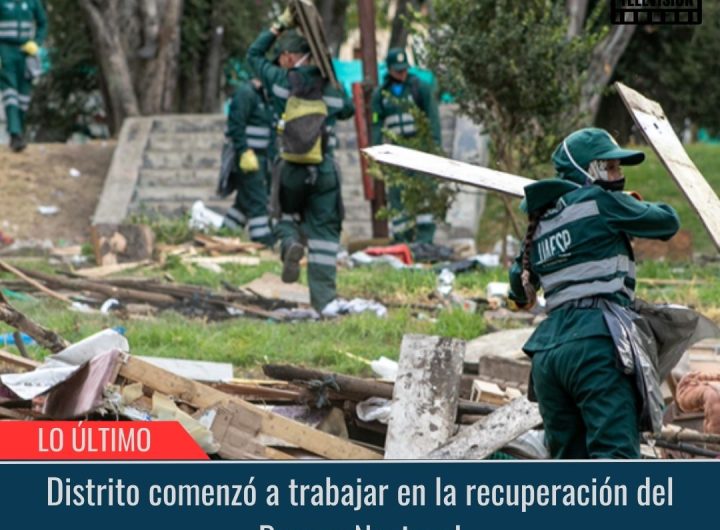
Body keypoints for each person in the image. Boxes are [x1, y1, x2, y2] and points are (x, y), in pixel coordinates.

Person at [508, 127, 680, 459]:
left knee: (569, 468)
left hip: (547, 357)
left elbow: (518, 288)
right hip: (596, 346)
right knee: (614, 462)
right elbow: (667, 222)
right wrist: (628, 203)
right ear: (589, 171)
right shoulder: (601, 202)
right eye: (612, 167)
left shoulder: (539, 221)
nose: (619, 176)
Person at [246, 11, 354, 312]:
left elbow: (252, 54)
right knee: (324, 234)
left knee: (283, 216)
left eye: (284, 55)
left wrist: (278, 26)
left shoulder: (281, 82)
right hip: (324, 171)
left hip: (290, 168)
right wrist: (331, 73)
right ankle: (325, 303)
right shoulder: (330, 88)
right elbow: (347, 110)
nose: (281, 60)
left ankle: (290, 243)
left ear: (293, 56)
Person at [370, 47, 441, 244]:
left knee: (425, 195)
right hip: (396, 151)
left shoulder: (421, 88)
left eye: (404, 69)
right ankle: (403, 240)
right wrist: (376, 155)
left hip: (420, 149)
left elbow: (433, 121)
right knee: (397, 197)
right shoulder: (381, 94)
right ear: (390, 70)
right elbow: (376, 125)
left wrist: (435, 150)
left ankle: (425, 241)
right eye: (397, 70)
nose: (401, 74)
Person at [220, 77, 275, 246]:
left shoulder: (265, 97)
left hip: (262, 158)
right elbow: (236, 125)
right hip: (248, 157)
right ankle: (262, 238)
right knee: (258, 199)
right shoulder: (246, 94)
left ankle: (225, 233)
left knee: (244, 202)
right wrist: (243, 150)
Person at [0, 0, 46, 152]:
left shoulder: (33, 2)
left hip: (26, 52)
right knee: (10, 92)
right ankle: (15, 133)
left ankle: (18, 132)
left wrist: (36, 42)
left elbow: (42, 23)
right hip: (5, 51)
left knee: (23, 97)